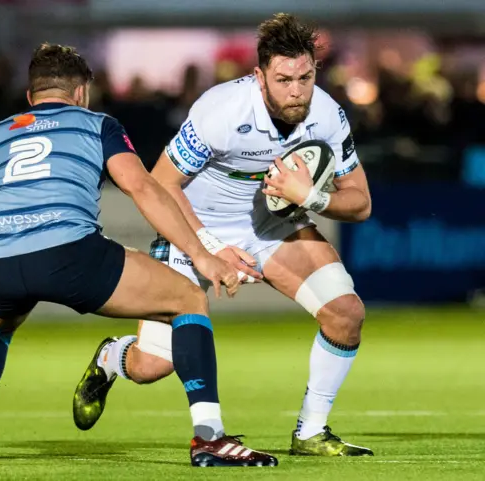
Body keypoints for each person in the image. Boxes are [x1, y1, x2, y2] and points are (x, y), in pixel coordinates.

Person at [0, 43, 277, 468]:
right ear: (81, 92)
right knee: (187, 298)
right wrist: (202, 255)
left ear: (31, 96)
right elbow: (142, 187)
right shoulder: (96, 124)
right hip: (68, 255)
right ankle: (209, 438)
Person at [74, 13, 374, 457]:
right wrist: (209, 249)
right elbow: (161, 183)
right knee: (153, 366)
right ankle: (111, 358)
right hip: (195, 228)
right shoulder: (222, 111)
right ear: (259, 76)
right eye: (284, 78)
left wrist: (310, 197)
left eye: (306, 77)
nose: (297, 90)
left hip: (273, 227)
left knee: (346, 315)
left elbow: (361, 202)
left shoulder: (327, 114)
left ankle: (311, 432)